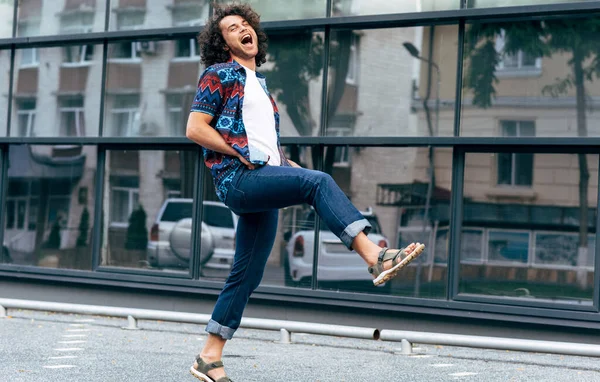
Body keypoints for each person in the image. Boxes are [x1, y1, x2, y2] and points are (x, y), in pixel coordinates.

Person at [185, 4, 425, 381]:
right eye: (233, 28)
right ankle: (375, 257)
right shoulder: (219, 74)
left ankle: (209, 356)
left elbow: (264, 144)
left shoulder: (259, 86)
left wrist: (287, 165)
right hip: (237, 179)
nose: (243, 29)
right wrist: (239, 153)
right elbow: (196, 128)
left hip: (260, 176)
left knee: (246, 274)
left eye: (246, 24)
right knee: (320, 181)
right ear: (223, 43)